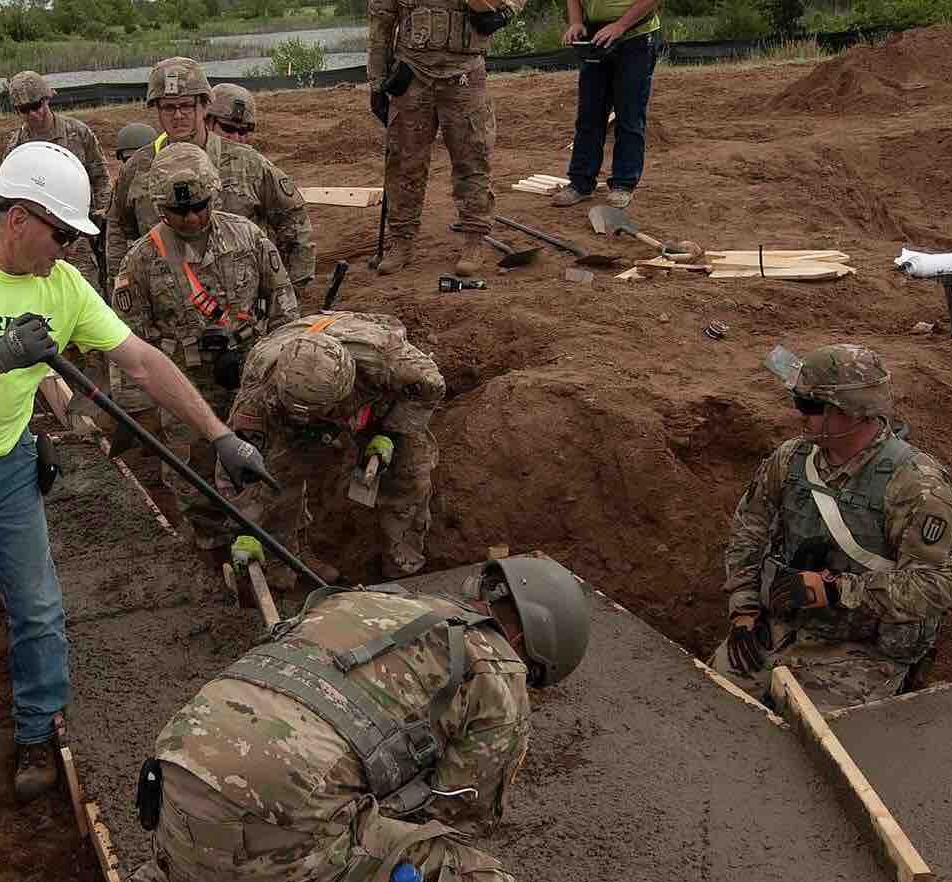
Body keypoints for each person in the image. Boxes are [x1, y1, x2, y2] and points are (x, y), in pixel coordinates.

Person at [0, 141, 274, 802]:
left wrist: (220, 433)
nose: (66, 248)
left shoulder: (61, 288)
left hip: (8, 466)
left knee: (38, 609)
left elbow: (142, 360)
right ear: (20, 219)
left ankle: (36, 729)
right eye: (60, 234)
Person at [87, 555, 591, 882]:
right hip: (285, 828)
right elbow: (456, 809)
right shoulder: (499, 668)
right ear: (534, 643)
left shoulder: (374, 598)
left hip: (176, 782)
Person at [711, 344, 952, 712]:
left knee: (810, 741)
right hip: (778, 629)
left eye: (810, 406)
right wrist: (744, 611)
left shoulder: (915, 485)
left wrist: (836, 590)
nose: (799, 415)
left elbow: (936, 584)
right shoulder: (790, 459)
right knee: (713, 705)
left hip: (861, 649)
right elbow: (749, 531)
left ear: (852, 413)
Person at [113, 142, 300, 562]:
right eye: (179, 212)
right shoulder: (141, 260)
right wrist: (138, 410)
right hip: (184, 383)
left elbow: (284, 303)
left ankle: (272, 543)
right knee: (192, 472)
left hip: (251, 377)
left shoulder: (247, 236)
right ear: (161, 207)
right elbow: (127, 341)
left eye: (200, 206)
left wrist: (279, 369)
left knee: (264, 459)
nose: (192, 217)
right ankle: (211, 547)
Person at [225, 311, 445, 586]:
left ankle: (403, 563)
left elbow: (430, 389)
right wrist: (245, 528)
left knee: (409, 474)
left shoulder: (391, 363)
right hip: (286, 413)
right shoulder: (259, 392)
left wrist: (391, 431)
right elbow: (238, 466)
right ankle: (284, 562)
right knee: (277, 478)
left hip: (374, 395)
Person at [106, 57, 313, 291]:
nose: (178, 115)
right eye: (168, 107)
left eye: (186, 105)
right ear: (157, 110)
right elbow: (118, 231)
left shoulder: (247, 163)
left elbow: (293, 219)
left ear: (205, 105)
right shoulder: (137, 169)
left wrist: (290, 290)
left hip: (244, 315)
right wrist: (121, 288)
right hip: (168, 315)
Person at [367, 0, 520, 277]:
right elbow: (381, 22)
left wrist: (507, 11)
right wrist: (377, 81)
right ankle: (401, 241)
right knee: (404, 162)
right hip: (412, 74)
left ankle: (474, 239)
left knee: (472, 159)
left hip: (464, 73)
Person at [4, 71, 111, 289]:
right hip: (38, 240)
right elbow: (8, 198)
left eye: (37, 105)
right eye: (26, 110)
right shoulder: (16, 149)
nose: (34, 114)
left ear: (47, 99)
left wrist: (100, 219)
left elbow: (100, 178)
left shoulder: (78, 134)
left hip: (78, 235)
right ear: (18, 111)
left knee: (85, 291)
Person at [550, 0, 660, 209]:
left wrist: (620, 25)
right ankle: (581, 183)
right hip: (596, 38)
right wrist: (576, 22)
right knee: (589, 114)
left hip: (635, 36)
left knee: (629, 114)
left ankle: (623, 184)